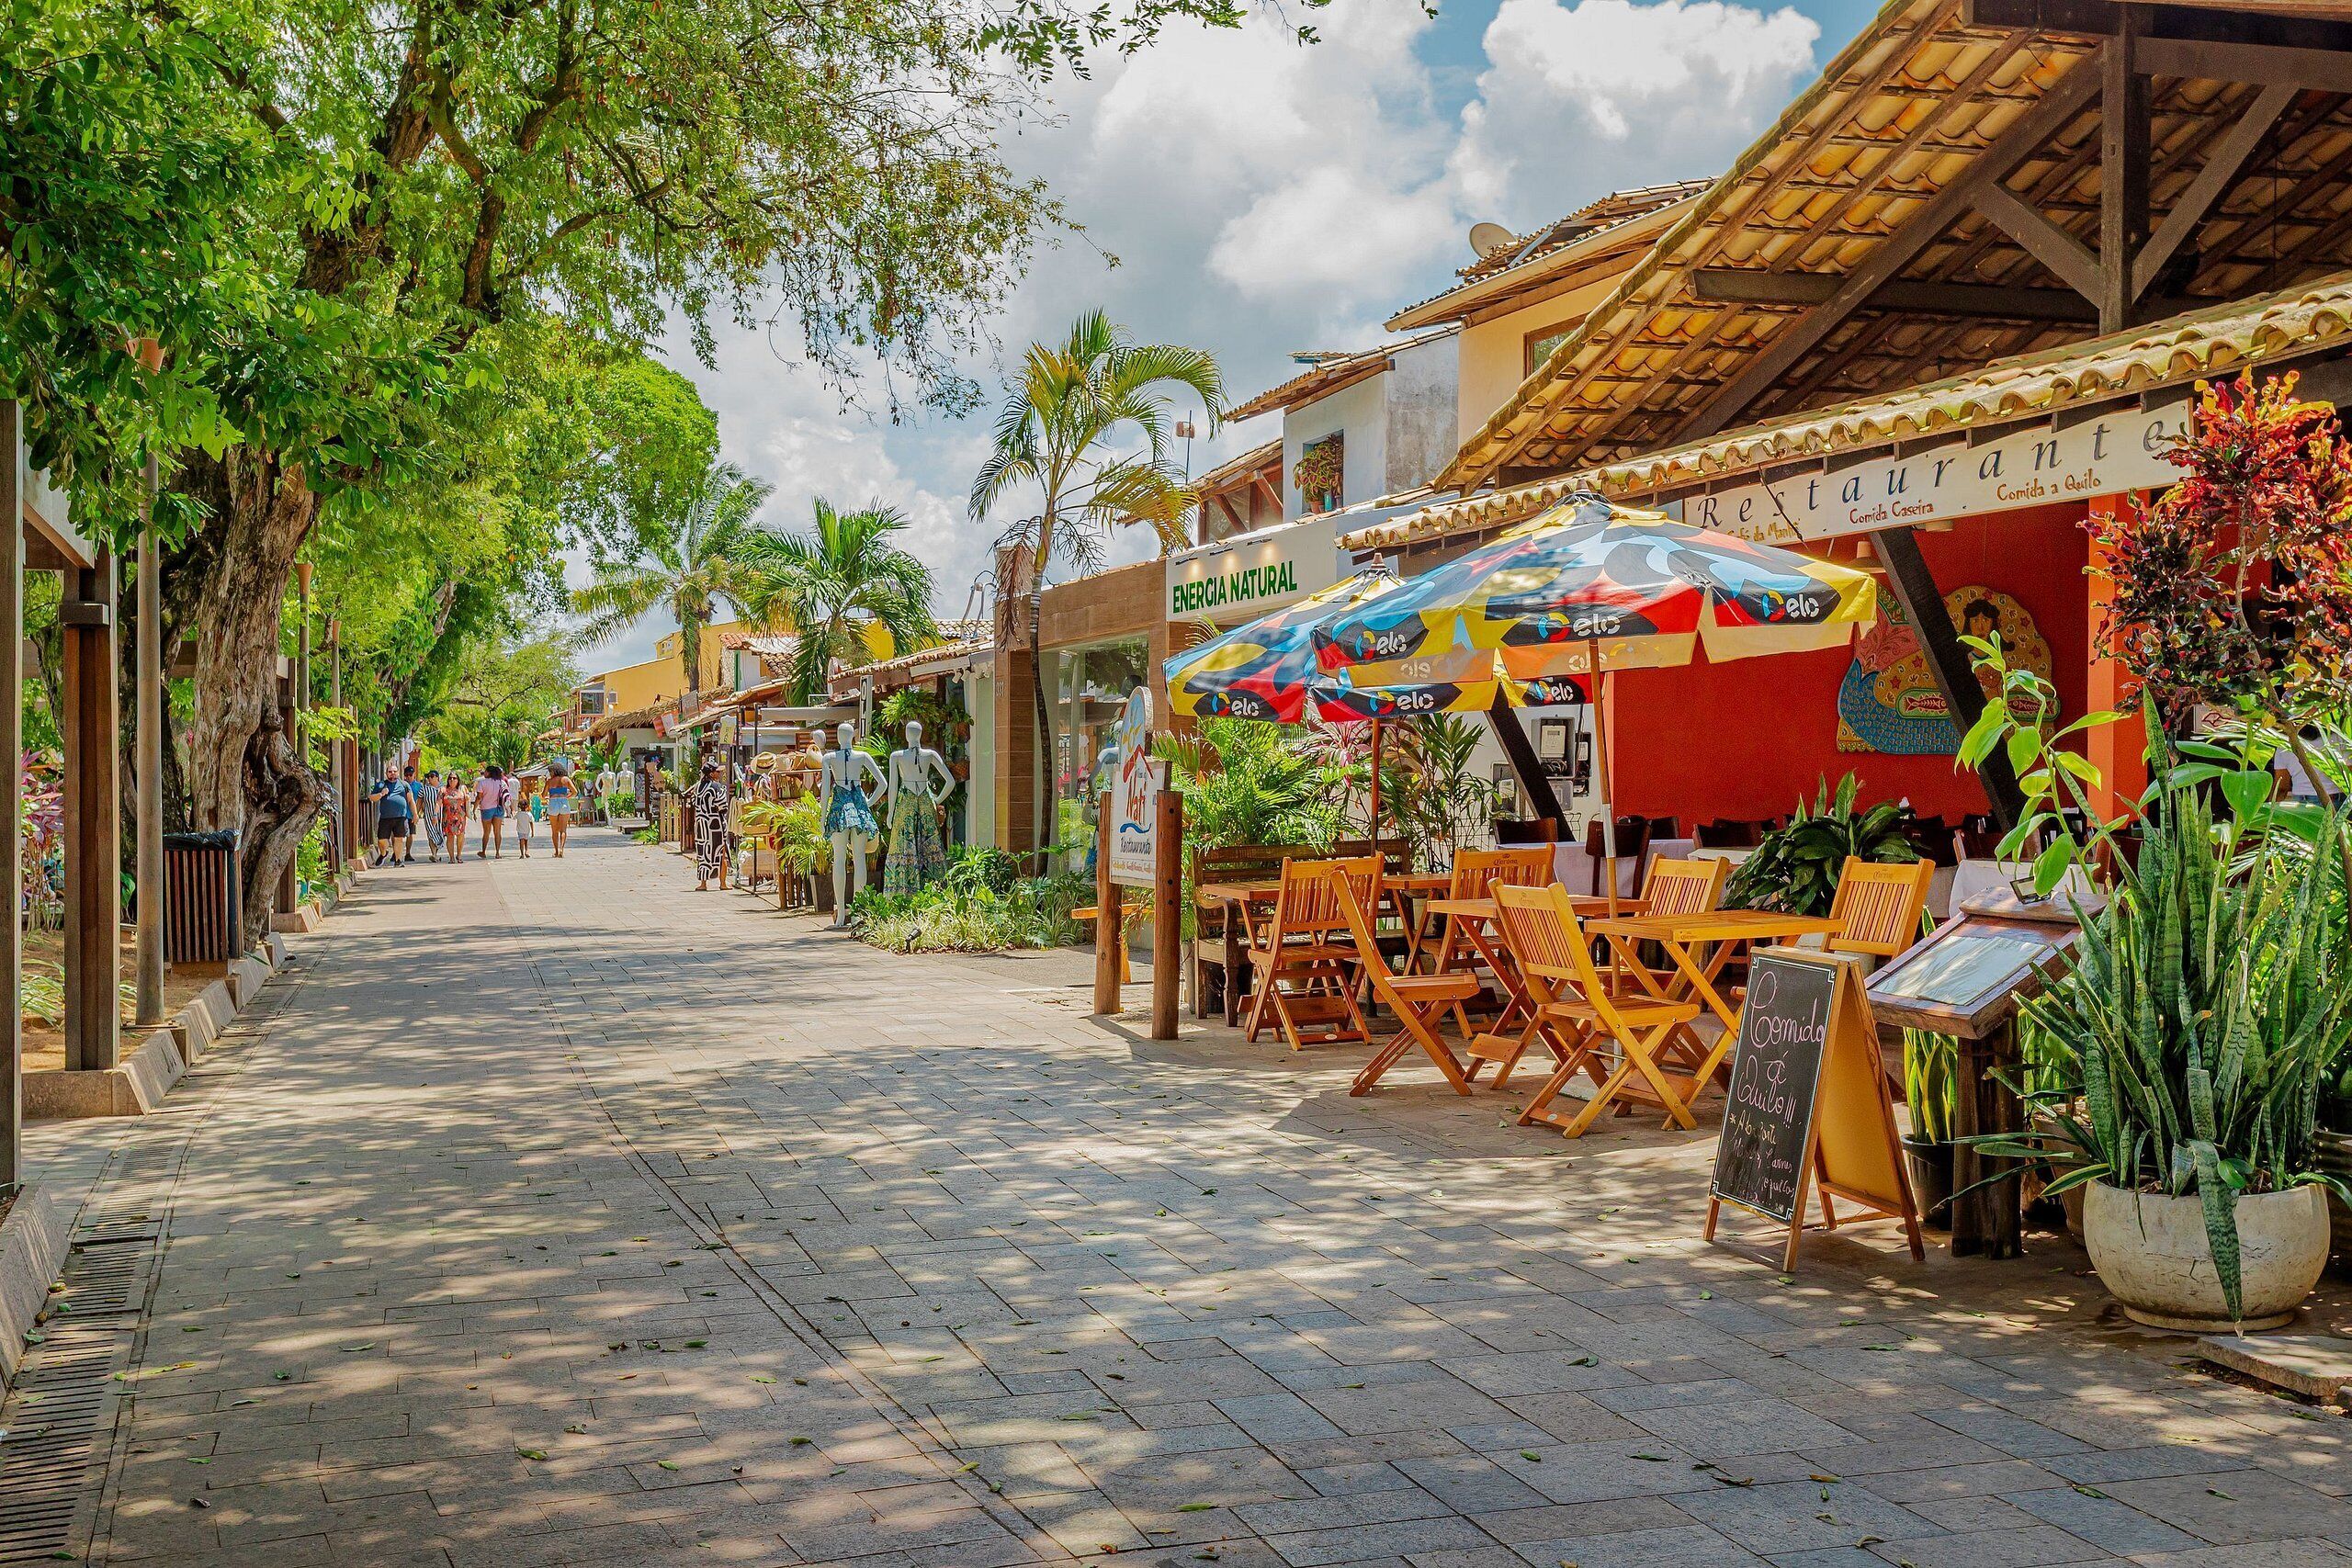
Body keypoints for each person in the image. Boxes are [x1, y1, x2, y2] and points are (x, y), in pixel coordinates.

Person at [690, 758, 731, 891]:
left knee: (703, 853)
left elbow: (692, 803)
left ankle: (703, 883)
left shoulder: (697, 787)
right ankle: (723, 883)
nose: (719, 774)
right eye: (717, 772)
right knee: (720, 852)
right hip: (715, 825)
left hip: (701, 824)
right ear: (711, 774)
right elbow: (723, 807)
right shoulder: (717, 787)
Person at [368, 766, 413, 867]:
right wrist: (381, 794)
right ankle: (384, 853)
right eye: (390, 771)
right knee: (381, 840)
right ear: (386, 773)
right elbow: (372, 797)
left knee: (399, 839)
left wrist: (415, 814)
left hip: (401, 817)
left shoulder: (404, 784)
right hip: (385, 817)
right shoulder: (381, 784)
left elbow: (410, 801)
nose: (392, 773)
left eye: (394, 771)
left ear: (398, 772)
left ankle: (398, 860)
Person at [413, 769, 446, 864]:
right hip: (428, 816)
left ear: (437, 777)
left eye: (432, 776)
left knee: (440, 834)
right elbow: (419, 802)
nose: (430, 779)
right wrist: (416, 814)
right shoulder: (424, 789)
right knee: (431, 835)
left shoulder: (443, 789)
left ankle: (436, 852)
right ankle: (434, 854)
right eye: (428, 777)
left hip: (441, 816)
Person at [475, 765, 508, 858]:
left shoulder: (482, 783)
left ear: (489, 772)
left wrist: (474, 809)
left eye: (485, 771)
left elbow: (479, 797)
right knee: (497, 832)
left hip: (486, 808)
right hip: (499, 808)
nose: (484, 773)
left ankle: (484, 851)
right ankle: (497, 853)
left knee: (486, 832)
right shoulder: (502, 782)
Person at [544, 766, 575, 857]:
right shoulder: (566, 779)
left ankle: (556, 851)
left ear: (554, 771)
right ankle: (561, 849)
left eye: (550, 772)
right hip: (564, 803)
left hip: (553, 803)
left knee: (554, 831)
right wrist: (567, 797)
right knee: (563, 829)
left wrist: (548, 797)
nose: (550, 774)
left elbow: (543, 794)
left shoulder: (550, 781)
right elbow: (575, 792)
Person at [438, 771, 469, 861]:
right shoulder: (444, 790)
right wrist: (435, 815)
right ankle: (451, 857)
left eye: (454, 778)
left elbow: (468, 800)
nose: (452, 780)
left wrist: (467, 799)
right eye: (450, 778)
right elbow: (439, 802)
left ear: (458, 780)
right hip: (448, 817)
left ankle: (459, 855)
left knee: (460, 836)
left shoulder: (462, 789)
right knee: (450, 837)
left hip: (460, 817)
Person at [514, 774, 538, 857]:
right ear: (527, 806)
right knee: (526, 841)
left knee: (521, 841)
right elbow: (531, 823)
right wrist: (533, 832)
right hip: (527, 830)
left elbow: (514, 818)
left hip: (520, 830)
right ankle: (527, 851)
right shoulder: (529, 814)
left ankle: (522, 854)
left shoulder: (519, 814)